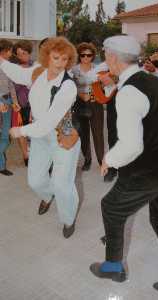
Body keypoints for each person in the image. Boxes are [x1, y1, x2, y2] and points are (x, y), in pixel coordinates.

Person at [89, 35, 158, 296]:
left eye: (106, 55)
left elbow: (131, 146)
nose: (105, 61)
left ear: (113, 59)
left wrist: (109, 159)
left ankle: (113, 266)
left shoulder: (129, 91)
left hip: (151, 170)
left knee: (111, 207)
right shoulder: (153, 80)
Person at [0, 37, 80, 238]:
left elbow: (49, 122)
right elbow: (17, 73)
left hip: (63, 134)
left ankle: (68, 219)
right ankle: (47, 195)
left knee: (63, 184)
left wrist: (20, 131)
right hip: (39, 136)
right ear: (46, 57)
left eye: (64, 59)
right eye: (56, 58)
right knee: (35, 181)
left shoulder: (68, 86)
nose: (60, 63)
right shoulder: (38, 72)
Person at [72, 42, 104, 171]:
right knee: (83, 133)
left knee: (98, 133)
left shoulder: (98, 69)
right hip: (80, 103)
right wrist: (80, 94)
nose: (86, 58)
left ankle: (102, 160)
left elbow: (103, 86)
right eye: (82, 55)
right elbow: (70, 86)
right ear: (79, 56)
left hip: (95, 102)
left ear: (92, 56)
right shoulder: (74, 70)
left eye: (89, 55)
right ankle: (87, 160)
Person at [11, 40, 34, 166]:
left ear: (29, 53)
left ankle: (36, 154)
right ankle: (26, 156)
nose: (22, 56)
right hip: (20, 104)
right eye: (19, 54)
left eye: (24, 53)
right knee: (22, 131)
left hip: (35, 104)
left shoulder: (35, 66)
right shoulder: (13, 68)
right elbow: (12, 87)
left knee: (35, 130)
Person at [0, 39, 20, 176]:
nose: (11, 53)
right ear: (5, 51)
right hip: (1, 101)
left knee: (6, 136)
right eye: (10, 51)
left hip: (7, 102)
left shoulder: (8, 66)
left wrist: (15, 101)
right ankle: (1, 166)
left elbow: (11, 85)